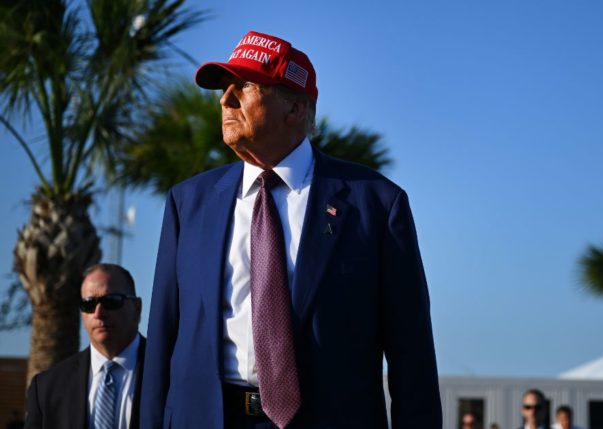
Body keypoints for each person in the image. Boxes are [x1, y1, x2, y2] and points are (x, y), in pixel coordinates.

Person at [140, 30, 441, 429]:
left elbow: (411, 351)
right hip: (208, 417)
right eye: (224, 88)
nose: (225, 100)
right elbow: (163, 337)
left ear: (296, 108)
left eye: (243, 87)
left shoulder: (376, 204)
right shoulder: (188, 203)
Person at [25, 264, 145, 429]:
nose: (98, 313)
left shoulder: (169, 372)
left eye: (111, 301)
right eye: (88, 304)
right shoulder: (47, 388)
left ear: (136, 308)